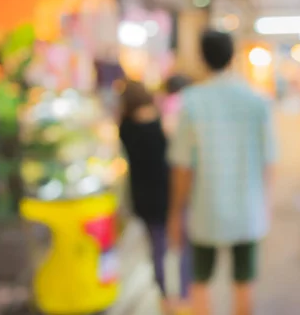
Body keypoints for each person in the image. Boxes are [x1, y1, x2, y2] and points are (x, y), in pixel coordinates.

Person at [167, 30, 277, 315]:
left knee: (200, 281)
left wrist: (177, 210)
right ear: (233, 56)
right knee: (244, 282)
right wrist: (266, 203)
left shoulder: (191, 101)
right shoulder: (257, 101)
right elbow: (269, 160)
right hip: (247, 208)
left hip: (206, 209)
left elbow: (182, 166)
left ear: (202, 57)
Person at [118, 80, 191, 312]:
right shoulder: (162, 124)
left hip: (143, 197)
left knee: (156, 248)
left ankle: (164, 296)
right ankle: (183, 295)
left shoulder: (125, 127)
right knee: (181, 244)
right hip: (169, 192)